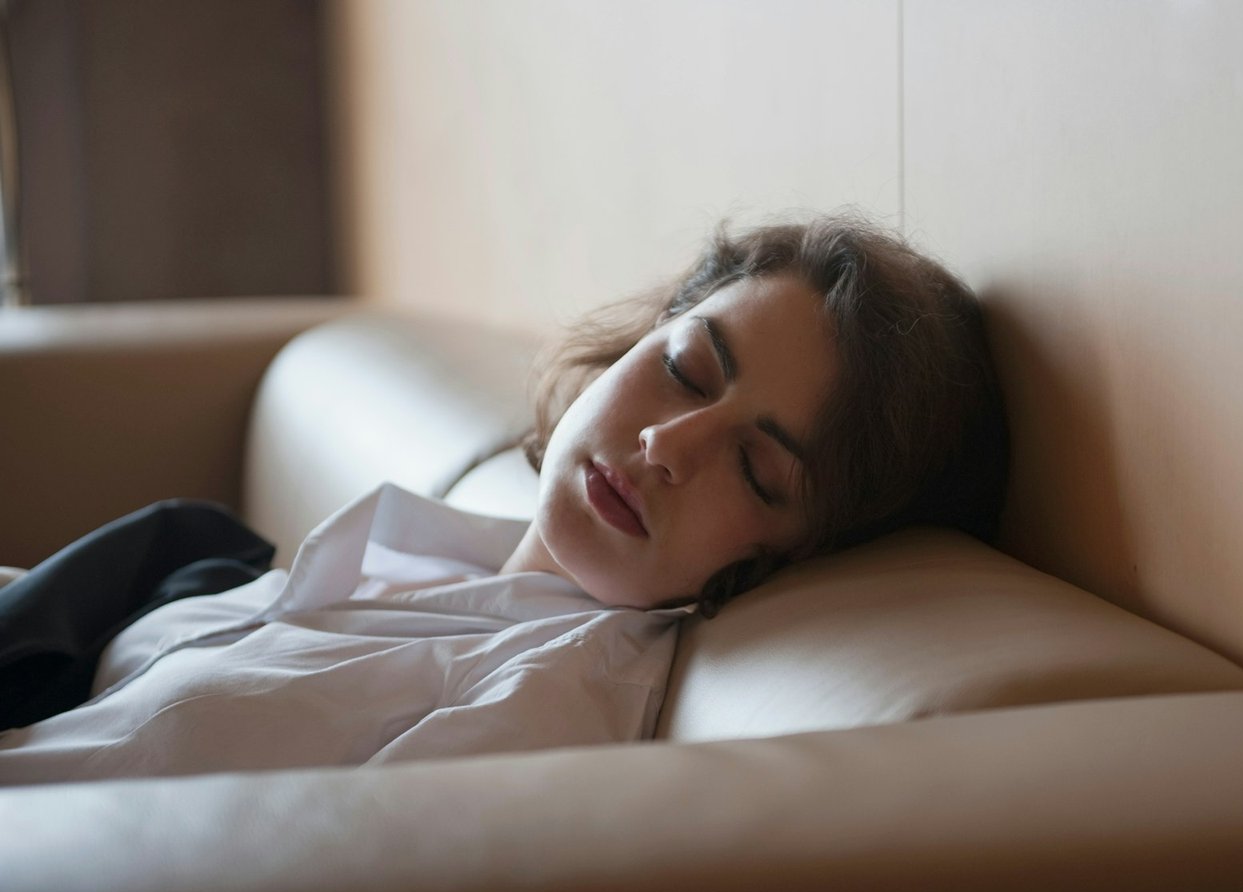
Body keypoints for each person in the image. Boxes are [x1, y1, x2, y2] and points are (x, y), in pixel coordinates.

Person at [0, 212, 1009, 784]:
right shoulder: (436, 552)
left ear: (796, 554)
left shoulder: (541, 708)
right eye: (689, 370)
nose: (665, 444)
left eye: (758, 472)